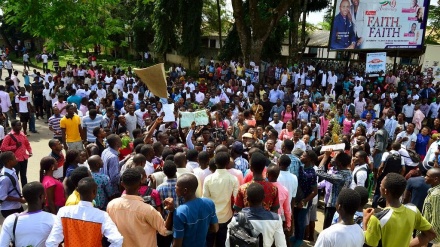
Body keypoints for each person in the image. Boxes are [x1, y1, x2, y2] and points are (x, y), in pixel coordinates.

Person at [46, 177, 124, 246]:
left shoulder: (64, 212)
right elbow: (117, 240)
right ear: (94, 193)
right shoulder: (102, 216)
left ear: (78, 192)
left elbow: (51, 242)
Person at [364, 173, 436, 247]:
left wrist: (365, 223)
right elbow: (431, 234)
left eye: (380, 185)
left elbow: (369, 244)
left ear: (385, 191)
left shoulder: (378, 219)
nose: (379, 187)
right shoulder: (413, 210)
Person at [107, 168, 174, 247]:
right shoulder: (147, 209)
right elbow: (165, 230)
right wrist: (171, 211)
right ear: (140, 184)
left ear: (122, 184)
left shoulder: (111, 205)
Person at [225, 183, 287, 247]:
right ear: (263, 198)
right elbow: (281, 245)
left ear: (247, 199)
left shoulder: (236, 219)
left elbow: (228, 244)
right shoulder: (276, 219)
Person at [0, 182, 56, 247]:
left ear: (25, 198)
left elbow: (2, 245)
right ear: (42, 197)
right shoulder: (53, 219)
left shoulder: (11, 220)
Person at [203, 151, 239, 247]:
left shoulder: (208, 179)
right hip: (226, 217)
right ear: (228, 163)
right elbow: (236, 199)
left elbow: (205, 200)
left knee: (209, 243)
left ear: (215, 163)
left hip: (211, 217)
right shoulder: (233, 179)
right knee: (222, 243)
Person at [172, 173, 219, 247]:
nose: (175, 187)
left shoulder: (180, 212)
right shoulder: (209, 203)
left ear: (185, 190)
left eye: (176, 186)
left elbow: (177, 245)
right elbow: (215, 228)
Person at [317, 151, 353, 229]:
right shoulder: (348, 173)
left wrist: (325, 157)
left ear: (339, 163)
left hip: (333, 206)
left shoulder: (339, 177)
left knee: (327, 227)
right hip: (338, 205)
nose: (333, 159)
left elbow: (319, 172)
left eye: (335, 159)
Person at [0, 120, 32, 187]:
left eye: (20, 125)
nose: (20, 126)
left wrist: (30, 151)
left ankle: (25, 190)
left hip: (24, 158)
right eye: (18, 125)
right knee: (15, 176)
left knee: (24, 176)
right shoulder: (8, 136)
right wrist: (15, 146)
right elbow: (3, 148)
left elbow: (27, 143)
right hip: (14, 160)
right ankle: (16, 191)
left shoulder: (22, 134)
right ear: (13, 126)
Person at [0, 151, 25, 218]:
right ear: (9, 161)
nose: (17, 159)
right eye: (15, 158)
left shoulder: (13, 170)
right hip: (9, 209)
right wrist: (19, 199)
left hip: (17, 206)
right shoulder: (5, 178)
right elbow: (3, 196)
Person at [421, 167, 440, 246]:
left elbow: (436, 218)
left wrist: (431, 238)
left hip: (430, 235)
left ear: (435, 179)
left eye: (427, 176)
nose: (425, 177)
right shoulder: (432, 191)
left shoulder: (436, 195)